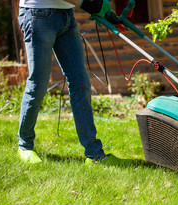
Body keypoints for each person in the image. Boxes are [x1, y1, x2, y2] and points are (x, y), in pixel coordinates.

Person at [17, 0, 113, 165]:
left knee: (80, 81)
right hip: (37, 13)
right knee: (38, 83)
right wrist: (87, 2)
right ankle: (24, 145)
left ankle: (95, 155)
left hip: (67, 15)